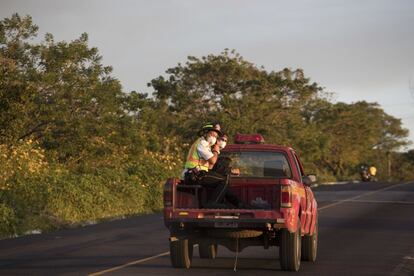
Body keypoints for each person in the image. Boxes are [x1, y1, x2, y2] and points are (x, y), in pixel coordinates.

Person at [182, 123, 243, 208]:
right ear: (205, 133)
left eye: (215, 135)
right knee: (223, 181)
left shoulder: (206, 146)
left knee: (222, 181)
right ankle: (213, 203)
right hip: (194, 174)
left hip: (198, 174)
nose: (214, 137)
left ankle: (238, 204)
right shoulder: (201, 143)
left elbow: (210, 167)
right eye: (212, 134)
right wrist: (216, 151)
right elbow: (213, 161)